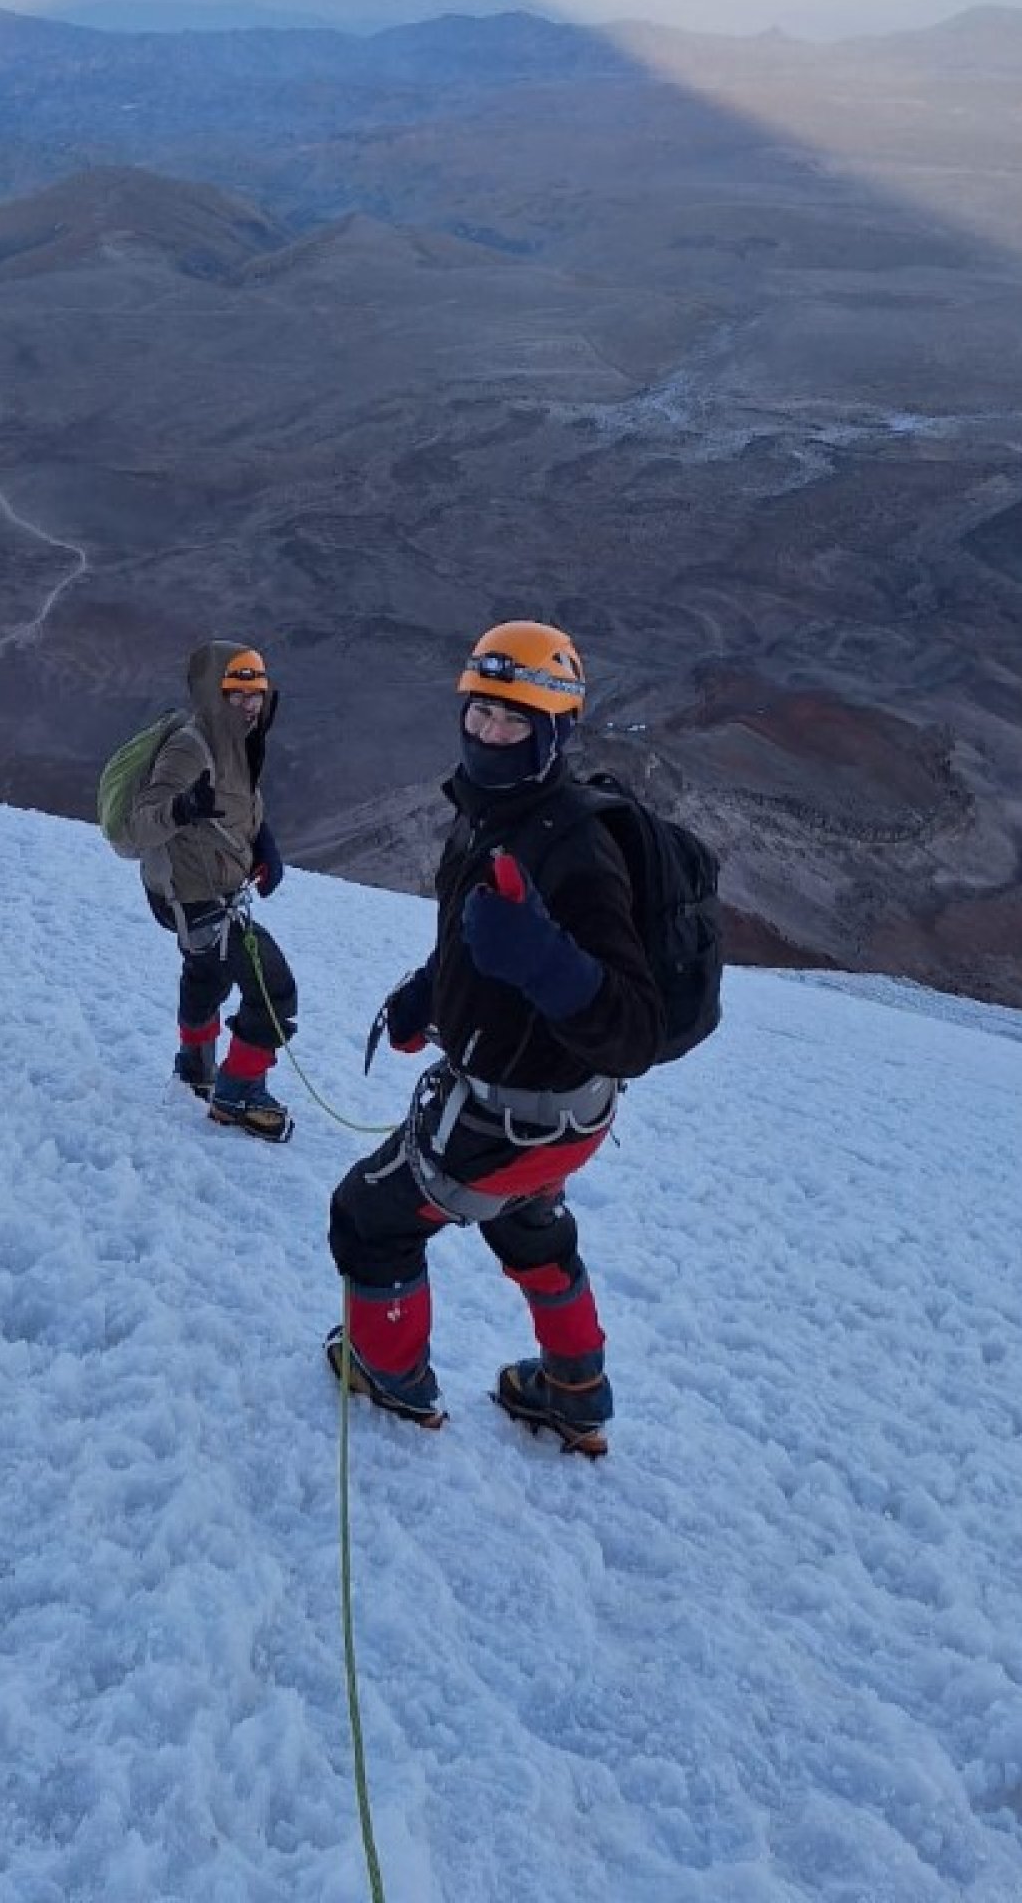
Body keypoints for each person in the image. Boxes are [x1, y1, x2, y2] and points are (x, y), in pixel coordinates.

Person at [325, 620, 665, 1454]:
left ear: (554, 731)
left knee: (370, 1220)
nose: (488, 733)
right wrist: (430, 992)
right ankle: (575, 1391)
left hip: (512, 1118)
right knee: (530, 1226)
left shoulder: (574, 848)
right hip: (560, 1120)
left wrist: (543, 960)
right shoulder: (500, 816)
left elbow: (634, 1030)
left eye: (513, 720)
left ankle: (391, 1375)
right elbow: (488, 945)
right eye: (479, 712)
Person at [132, 640, 297, 1143]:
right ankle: (237, 1093)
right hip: (194, 896)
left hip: (207, 889)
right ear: (213, 693)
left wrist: (263, 845)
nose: (250, 704)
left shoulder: (239, 739)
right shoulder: (192, 745)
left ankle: (195, 1066)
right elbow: (141, 825)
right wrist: (181, 808)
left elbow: (242, 805)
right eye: (236, 693)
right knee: (274, 989)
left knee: (206, 972)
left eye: (256, 693)